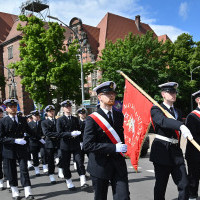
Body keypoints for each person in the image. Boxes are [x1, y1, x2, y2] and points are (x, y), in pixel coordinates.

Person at [83, 81, 130, 200]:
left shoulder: (120, 116)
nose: (112, 96)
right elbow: (87, 145)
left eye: (113, 93)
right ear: (99, 97)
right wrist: (114, 148)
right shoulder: (92, 119)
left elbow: (125, 136)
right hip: (100, 165)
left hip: (118, 164)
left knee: (123, 197)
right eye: (108, 94)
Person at [150, 82, 193, 200]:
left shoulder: (178, 111)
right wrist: (180, 125)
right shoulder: (156, 109)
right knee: (161, 186)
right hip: (162, 151)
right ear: (163, 94)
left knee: (184, 184)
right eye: (170, 92)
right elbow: (163, 121)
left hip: (176, 152)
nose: (173, 94)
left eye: (174, 92)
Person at [0, 99, 34, 200]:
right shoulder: (2, 121)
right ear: (7, 109)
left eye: (15, 106)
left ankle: (28, 191)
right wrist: (15, 140)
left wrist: (40, 138)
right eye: (11, 107)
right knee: (11, 171)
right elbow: (1, 138)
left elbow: (29, 131)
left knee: (24, 170)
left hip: (21, 149)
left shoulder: (22, 119)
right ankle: (15, 191)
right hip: (9, 150)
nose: (14, 108)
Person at [57, 100, 88, 191]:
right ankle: (69, 181)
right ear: (63, 108)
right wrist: (70, 134)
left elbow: (80, 129)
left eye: (69, 106)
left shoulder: (75, 119)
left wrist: (79, 134)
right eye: (66, 107)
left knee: (79, 162)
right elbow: (59, 133)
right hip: (65, 145)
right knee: (66, 164)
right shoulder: (60, 120)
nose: (68, 108)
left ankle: (83, 181)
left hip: (75, 144)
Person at [41, 105, 63, 184]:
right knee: (50, 161)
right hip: (49, 143)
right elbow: (46, 133)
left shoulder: (58, 121)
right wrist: (57, 134)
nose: (52, 112)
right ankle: (51, 175)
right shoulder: (44, 122)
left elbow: (61, 131)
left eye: (53, 111)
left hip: (58, 142)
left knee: (61, 157)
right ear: (47, 113)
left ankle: (60, 171)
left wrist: (58, 135)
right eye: (50, 111)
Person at [185, 90, 200, 200]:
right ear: (198, 100)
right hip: (195, 154)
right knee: (194, 178)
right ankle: (192, 196)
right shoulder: (192, 116)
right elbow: (192, 137)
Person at [28, 110, 48, 176]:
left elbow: (44, 132)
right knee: (35, 156)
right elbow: (30, 134)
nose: (36, 117)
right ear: (32, 116)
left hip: (42, 142)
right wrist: (38, 138)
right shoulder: (29, 124)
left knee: (43, 153)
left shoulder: (42, 122)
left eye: (37, 115)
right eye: (35, 116)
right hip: (33, 142)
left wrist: (43, 138)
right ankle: (37, 170)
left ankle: (45, 167)